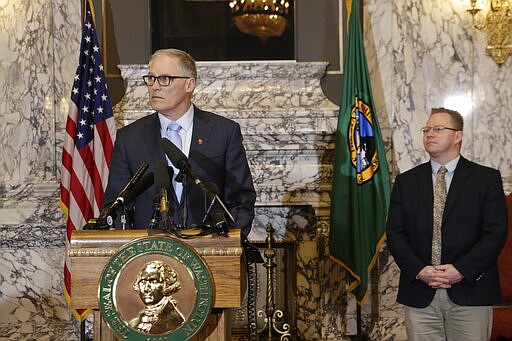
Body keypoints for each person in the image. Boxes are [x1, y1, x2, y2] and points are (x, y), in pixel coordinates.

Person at [102, 48, 256, 236]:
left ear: (189, 84)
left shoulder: (223, 132)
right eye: (151, 78)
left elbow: (242, 199)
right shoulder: (130, 138)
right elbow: (116, 206)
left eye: (164, 79)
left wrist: (228, 243)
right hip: (151, 256)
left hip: (211, 253)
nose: (155, 87)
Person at [386, 107, 508, 340]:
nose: (430, 134)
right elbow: (395, 233)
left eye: (438, 129)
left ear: (458, 136)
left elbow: (495, 233)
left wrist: (461, 270)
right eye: (427, 129)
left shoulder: (486, 179)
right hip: (420, 291)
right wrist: (420, 271)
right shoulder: (406, 182)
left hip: (471, 291)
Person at [130, 261, 185, 334]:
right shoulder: (134, 323)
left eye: (153, 282)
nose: (146, 289)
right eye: (143, 282)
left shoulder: (176, 322)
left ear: (167, 285)